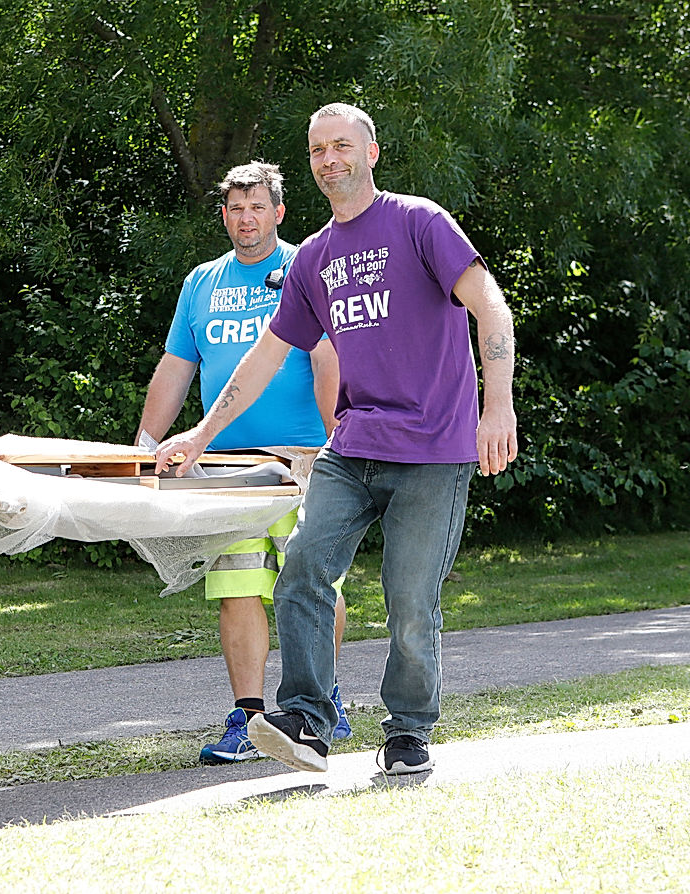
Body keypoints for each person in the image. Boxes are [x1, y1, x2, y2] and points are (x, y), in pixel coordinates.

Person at [155, 103, 517, 776]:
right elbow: (266, 354)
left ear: (371, 153)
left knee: (411, 601)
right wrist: (203, 433)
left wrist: (498, 407)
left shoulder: (419, 222)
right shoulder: (316, 257)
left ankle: (408, 731)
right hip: (352, 447)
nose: (330, 159)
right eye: (319, 149)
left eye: (342, 146)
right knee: (300, 573)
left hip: (435, 448)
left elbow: (489, 304)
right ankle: (306, 720)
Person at [137, 161, 350, 765]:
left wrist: (336, 435)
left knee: (311, 583)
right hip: (224, 461)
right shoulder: (200, 283)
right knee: (237, 588)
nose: (246, 219)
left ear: (279, 212)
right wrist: (146, 443)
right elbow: (177, 366)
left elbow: (328, 357)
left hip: (305, 456)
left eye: (257, 207)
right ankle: (249, 716)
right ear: (224, 214)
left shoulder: (304, 269)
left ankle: (319, 702)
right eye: (235, 208)